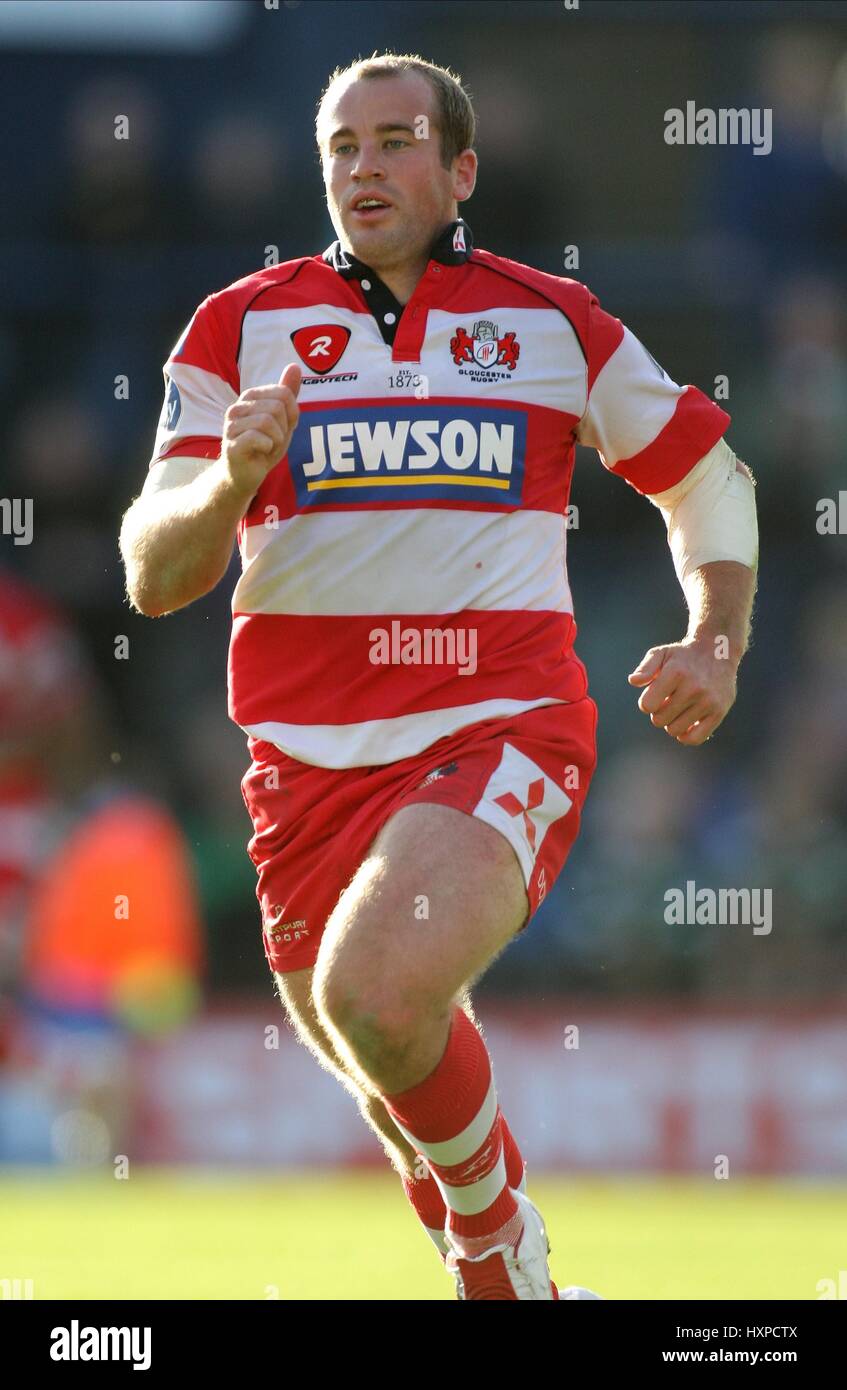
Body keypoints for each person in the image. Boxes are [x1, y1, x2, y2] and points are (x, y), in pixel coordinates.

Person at [119, 52, 758, 1300]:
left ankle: (495, 1250)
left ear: (460, 170)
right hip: (302, 767)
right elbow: (154, 570)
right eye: (343, 147)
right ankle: (502, 1251)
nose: (365, 166)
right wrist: (225, 481)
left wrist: (715, 637)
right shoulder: (238, 327)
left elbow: (708, 478)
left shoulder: (553, 321)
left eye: (396, 140)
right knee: (374, 1035)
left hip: (500, 728)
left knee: (378, 985)